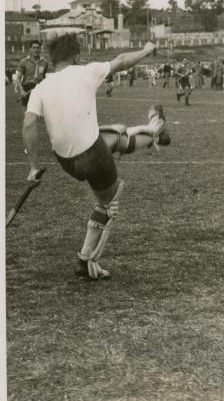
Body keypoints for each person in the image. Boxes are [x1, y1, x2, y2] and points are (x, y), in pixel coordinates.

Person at [23, 32, 170, 280]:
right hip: (93, 155)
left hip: (67, 161)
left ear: (52, 59)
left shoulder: (41, 87)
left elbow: (28, 124)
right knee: (108, 201)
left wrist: (33, 167)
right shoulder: (85, 71)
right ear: (77, 56)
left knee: (115, 137)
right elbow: (123, 59)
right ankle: (86, 260)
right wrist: (146, 50)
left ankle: (153, 131)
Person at [15, 40, 48, 109]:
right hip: (27, 87)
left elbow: (45, 77)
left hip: (39, 88)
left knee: (40, 111)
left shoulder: (44, 62)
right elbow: (18, 78)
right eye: (34, 48)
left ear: (40, 49)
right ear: (30, 49)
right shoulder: (23, 61)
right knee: (27, 111)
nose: (36, 50)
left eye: (37, 48)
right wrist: (22, 91)